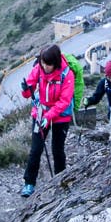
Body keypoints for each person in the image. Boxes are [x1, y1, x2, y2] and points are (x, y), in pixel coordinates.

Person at [18, 44, 76, 197]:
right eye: (43, 63)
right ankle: (29, 183)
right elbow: (28, 93)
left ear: (55, 63)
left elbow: (64, 101)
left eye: (48, 64)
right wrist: (25, 89)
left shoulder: (67, 75)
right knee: (36, 149)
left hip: (60, 116)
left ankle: (61, 179)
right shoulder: (39, 68)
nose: (45, 67)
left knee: (57, 149)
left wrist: (49, 116)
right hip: (41, 112)